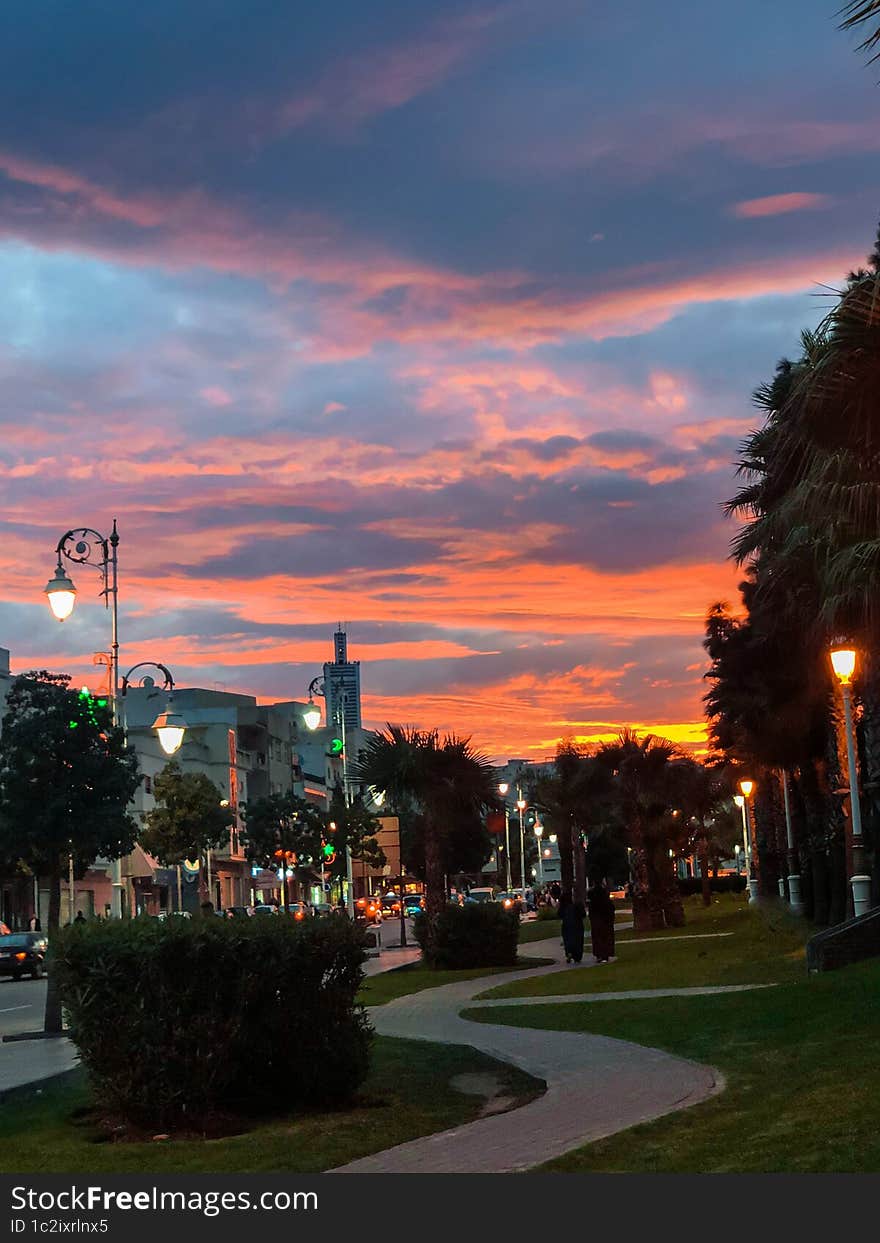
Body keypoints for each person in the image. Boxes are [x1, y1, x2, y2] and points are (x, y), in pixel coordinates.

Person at [587, 880, 616, 963]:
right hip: (605, 920)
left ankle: (599, 954)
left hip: (598, 920)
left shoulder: (593, 901)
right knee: (605, 937)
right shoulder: (606, 900)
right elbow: (611, 909)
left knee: (598, 937)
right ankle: (605, 955)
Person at [558, 891, 586, 964]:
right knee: (578, 940)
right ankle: (577, 956)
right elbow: (583, 915)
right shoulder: (577, 905)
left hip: (566, 925)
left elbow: (559, 914)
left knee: (567, 939)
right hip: (578, 925)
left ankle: (569, 952)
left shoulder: (563, 906)